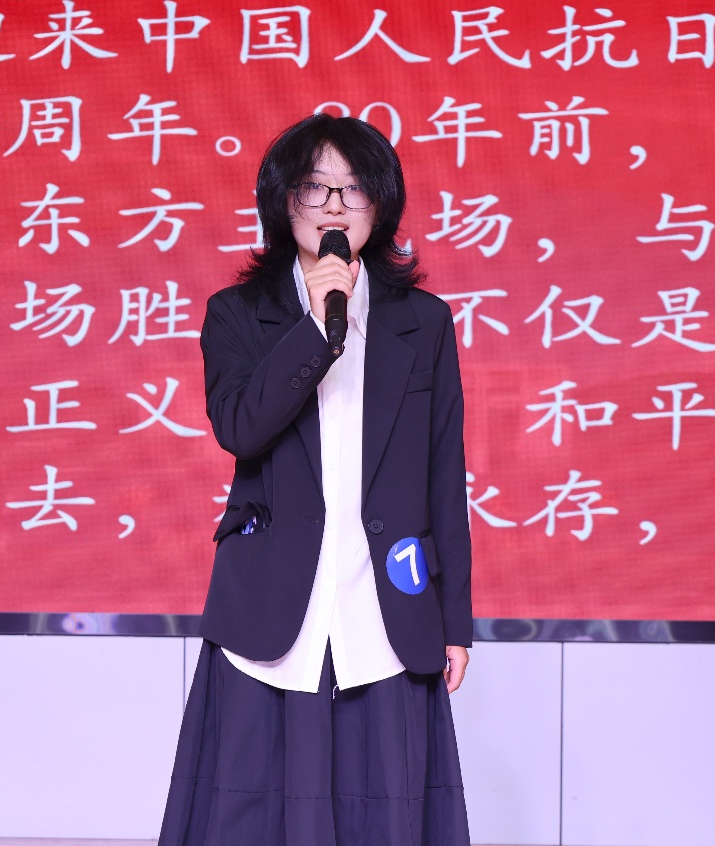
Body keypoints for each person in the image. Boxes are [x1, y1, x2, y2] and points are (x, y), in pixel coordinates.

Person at [158, 114, 473, 846]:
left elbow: (442, 474)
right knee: (251, 813)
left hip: (384, 599)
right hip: (272, 603)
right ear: (282, 201)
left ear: (380, 206)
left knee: (384, 808)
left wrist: (455, 620)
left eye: (353, 189)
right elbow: (240, 428)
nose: (334, 205)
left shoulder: (422, 322)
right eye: (315, 188)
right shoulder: (237, 315)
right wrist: (315, 335)